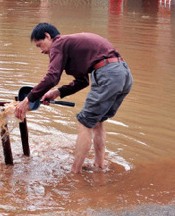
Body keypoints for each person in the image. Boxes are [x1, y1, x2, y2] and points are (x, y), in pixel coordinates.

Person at [14, 23, 133, 174]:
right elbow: (83, 81)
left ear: (48, 36)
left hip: (108, 74)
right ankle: (99, 165)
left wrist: (27, 100)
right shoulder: (71, 47)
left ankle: (74, 172)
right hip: (123, 74)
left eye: (40, 45)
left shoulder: (58, 43)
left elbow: (52, 77)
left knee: (84, 122)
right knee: (96, 121)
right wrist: (57, 92)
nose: (41, 51)